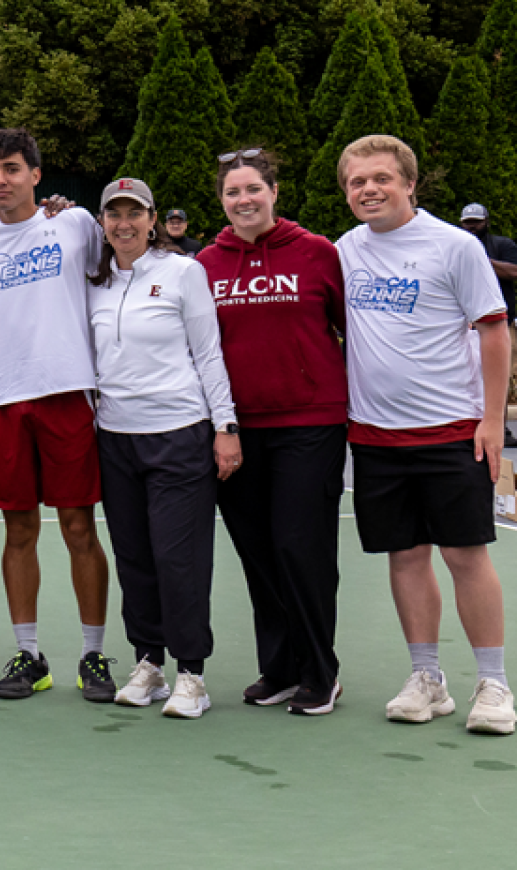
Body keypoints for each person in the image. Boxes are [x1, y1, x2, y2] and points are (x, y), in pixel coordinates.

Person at [335, 135, 513, 735]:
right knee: (406, 557)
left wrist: (492, 420)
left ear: (410, 184)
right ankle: (427, 678)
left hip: (452, 432)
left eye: (381, 178)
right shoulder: (343, 252)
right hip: (375, 438)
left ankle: (493, 683)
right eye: (357, 182)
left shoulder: (455, 247)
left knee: (466, 555)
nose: (369, 190)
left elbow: (494, 332)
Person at [0, 128, 114, 702]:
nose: (2, 180)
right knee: (18, 531)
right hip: (1, 403)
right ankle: (29, 655)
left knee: (78, 528)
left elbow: (111, 273)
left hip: (68, 393)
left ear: (36, 175)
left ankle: (93, 656)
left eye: (12, 169)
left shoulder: (73, 226)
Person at [197, 148, 349, 715]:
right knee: (258, 550)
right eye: (233, 192)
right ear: (222, 200)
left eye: (253, 189)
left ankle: (320, 670)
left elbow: (351, 332)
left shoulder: (316, 253)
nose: (244, 200)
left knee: (299, 545)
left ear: (274, 192)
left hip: (311, 423)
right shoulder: (207, 264)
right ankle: (280, 668)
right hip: (237, 430)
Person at [86, 178, 240, 719]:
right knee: (135, 559)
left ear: (152, 220)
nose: (123, 224)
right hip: (116, 438)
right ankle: (148, 662)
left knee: (180, 558)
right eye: (113, 214)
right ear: (101, 223)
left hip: (179, 433)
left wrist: (226, 425)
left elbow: (209, 352)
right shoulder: (94, 283)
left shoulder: (182, 272)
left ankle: (191, 672)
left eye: (134, 213)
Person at [458, 202, 517, 446]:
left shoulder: (502, 245)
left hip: (499, 321)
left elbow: (514, 271)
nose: (472, 227)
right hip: (463, 323)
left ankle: (499, 427)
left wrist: (481, 259)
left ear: (486, 222)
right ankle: (467, 426)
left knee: (499, 373)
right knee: (465, 375)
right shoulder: (455, 246)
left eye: (476, 223)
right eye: (467, 223)